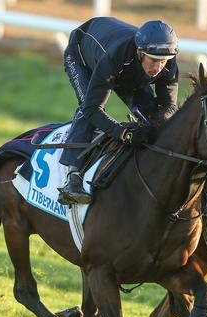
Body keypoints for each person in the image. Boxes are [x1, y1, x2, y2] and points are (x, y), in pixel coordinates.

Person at [58, 17, 179, 205]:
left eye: (163, 61)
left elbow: (169, 107)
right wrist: (122, 133)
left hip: (127, 71)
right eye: (153, 60)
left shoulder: (168, 62)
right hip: (83, 56)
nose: (158, 68)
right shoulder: (115, 56)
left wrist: (157, 124)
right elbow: (93, 109)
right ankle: (72, 178)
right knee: (86, 108)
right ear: (140, 53)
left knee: (152, 116)